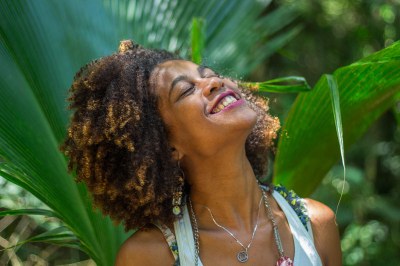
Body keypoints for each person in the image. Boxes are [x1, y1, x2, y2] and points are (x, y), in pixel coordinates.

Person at [62, 40, 341, 265]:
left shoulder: (315, 225)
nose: (215, 83)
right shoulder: (149, 257)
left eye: (210, 75)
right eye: (186, 91)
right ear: (167, 147)